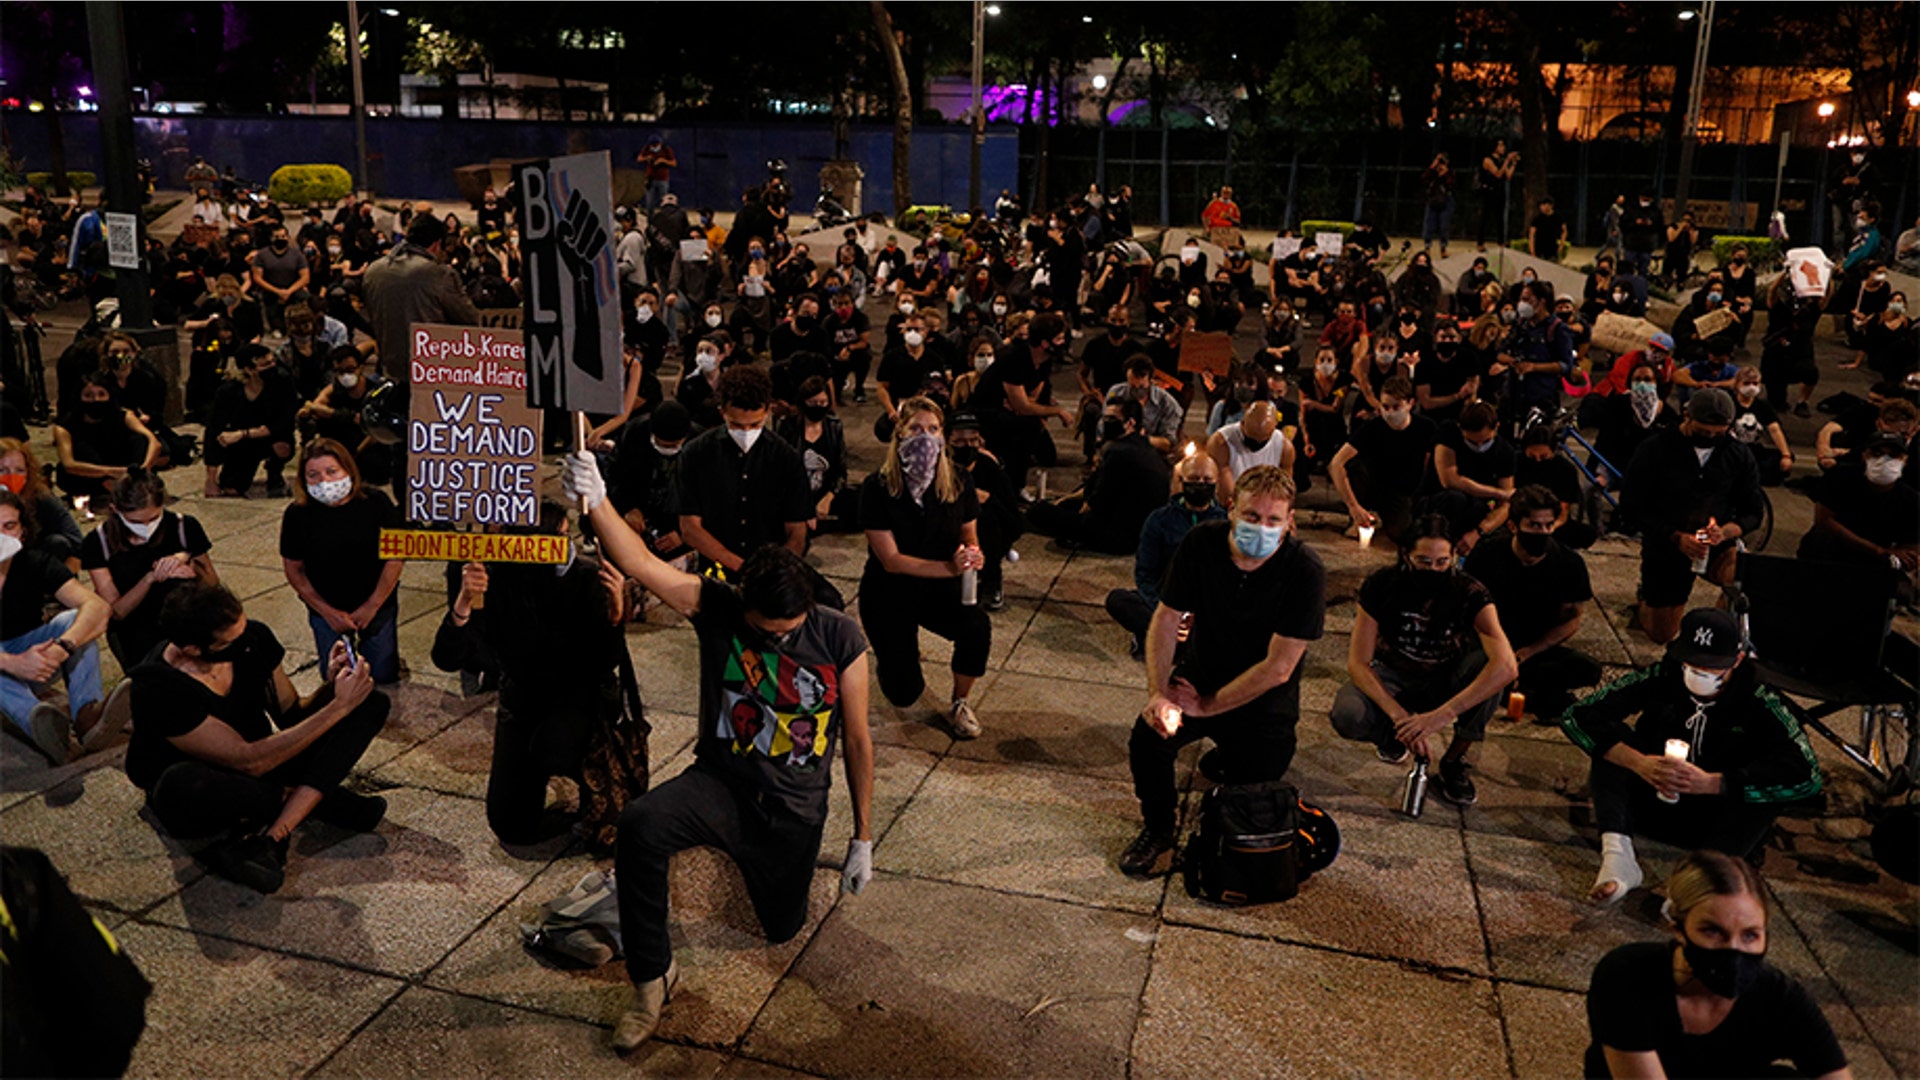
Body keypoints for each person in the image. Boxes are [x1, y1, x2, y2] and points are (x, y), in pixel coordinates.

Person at [559, 453, 873, 1055]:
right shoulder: (720, 606)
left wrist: (862, 836)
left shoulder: (839, 635)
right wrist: (596, 498)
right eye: (765, 630)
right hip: (722, 781)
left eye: (788, 630)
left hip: (795, 806)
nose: (777, 638)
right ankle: (651, 981)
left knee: (781, 928)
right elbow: (641, 564)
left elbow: (857, 739)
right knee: (641, 825)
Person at [1121, 465, 1326, 876]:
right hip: (1200, 675)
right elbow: (1166, 618)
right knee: (1149, 740)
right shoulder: (1201, 543)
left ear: (1289, 524)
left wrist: (1206, 707)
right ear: (1230, 509)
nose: (1261, 527)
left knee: (1254, 792)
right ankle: (1159, 829)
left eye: (1273, 520)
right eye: (1252, 516)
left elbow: (1278, 668)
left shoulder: (1305, 570)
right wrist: (1159, 694)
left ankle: (1228, 758)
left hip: (1264, 702)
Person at [125, 582, 388, 894]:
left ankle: (273, 836)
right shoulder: (157, 687)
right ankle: (319, 799)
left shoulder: (254, 640)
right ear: (193, 649)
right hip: (208, 783)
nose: (243, 641)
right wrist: (337, 709)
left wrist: (333, 688)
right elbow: (249, 761)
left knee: (370, 703)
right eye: (229, 642)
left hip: (267, 763)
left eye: (243, 627)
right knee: (183, 782)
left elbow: (291, 714)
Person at [1562, 608, 1823, 902]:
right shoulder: (1665, 675)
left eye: (1710, 669)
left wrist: (1715, 783)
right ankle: (1618, 859)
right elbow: (1578, 715)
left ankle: (1696, 880)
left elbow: (1808, 776)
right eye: (1691, 664)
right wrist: (1640, 763)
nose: (1697, 673)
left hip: (1712, 818)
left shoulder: (1760, 699)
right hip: (1649, 803)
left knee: (1763, 792)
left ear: (1736, 661)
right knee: (1611, 747)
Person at [432, 504, 633, 844]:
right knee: (511, 826)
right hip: (522, 701)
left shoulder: (586, 578)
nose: (567, 543)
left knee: (552, 747)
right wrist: (464, 603)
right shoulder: (494, 582)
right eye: (559, 536)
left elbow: (603, 662)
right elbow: (447, 658)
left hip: (580, 698)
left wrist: (615, 614)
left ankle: (593, 775)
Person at [1583, 851, 1852, 1079]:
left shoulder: (1780, 997)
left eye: (1750, 935)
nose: (1734, 951)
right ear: (1678, 928)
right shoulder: (1629, 974)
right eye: (1713, 932)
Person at [1330, 515, 1519, 806]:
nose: (1433, 570)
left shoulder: (1471, 593)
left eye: (1442, 562)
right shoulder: (1381, 585)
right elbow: (1358, 663)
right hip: (1393, 673)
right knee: (1348, 713)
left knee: (1489, 672)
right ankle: (1393, 738)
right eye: (1424, 561)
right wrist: (1399, 718)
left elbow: (1506, 666)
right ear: (1406, 555)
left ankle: (1454, 761)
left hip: (1446, 676)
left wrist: (1442, 715)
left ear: (1454, 556)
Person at [857, 398, 991, 738]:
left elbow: (969, 535)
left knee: (976, 626)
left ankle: (960, 702)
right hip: (889, 592)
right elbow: (892, 559)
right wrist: (950, 568)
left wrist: (973, 555)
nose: (925, 438)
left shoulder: (958, 479)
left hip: (938, 592)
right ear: (900, 434)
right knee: (904, 692)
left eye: (933, 430)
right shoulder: (878, 486)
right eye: (916, 429)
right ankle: (899, 654)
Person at [1621, 389, 1765, 644]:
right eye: (1703, 431)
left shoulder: (1738, 455)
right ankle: (1646, 600)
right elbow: (1631, 508)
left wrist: (1727, 531)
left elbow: (1752, 511)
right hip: (1667, 541)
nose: (1710, 437)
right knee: (1661, 634)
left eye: (1717, 433)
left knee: (1740, 576)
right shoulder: (1654, 449)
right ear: (1687, 416)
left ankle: (1715, 631)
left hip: (1715, 541)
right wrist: (1675, 537)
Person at [1462, 485, 1600, 722]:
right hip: (1489, 642)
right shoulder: (1488, 554)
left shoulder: (1569, 564)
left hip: (1533, 649)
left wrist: (1527, 652)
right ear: (1513, 526)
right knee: (1470, 665)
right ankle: (1524, 691)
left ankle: (1510, 687)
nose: (1543, 532)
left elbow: (1571, 619)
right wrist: (1500, 650)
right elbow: (1466, 608)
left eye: (1548, 525)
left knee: (1588, 669)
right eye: (1534, 525)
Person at [0, 489, 112, 765]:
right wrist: (12, 664)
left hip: (33, 658)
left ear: (22, 532)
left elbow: (97, 607)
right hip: (7, 669)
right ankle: (44, 728)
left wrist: (63, 647)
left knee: (75, 619)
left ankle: (88, 716)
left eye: (9, 526)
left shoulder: (34, 562)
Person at [279, 439, 404, 684]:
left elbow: (395, 557)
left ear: (348, 470)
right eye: (313, 475)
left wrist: (372, 605)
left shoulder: (377, 503)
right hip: (326, 609)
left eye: (331, 471)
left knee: (382, 674)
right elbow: (294, 570)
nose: (324, 481)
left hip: (377, 604)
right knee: (336, 676)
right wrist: (328, 613)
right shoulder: (297, 514)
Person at [82, 468, 216, 672]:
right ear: (116, 510)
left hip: (185, 619)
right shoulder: (98, 542)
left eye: (154, 518)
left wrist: (188, 564)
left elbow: (213, 585)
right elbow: (117, 611)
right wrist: (151, 578)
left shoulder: (183, 527)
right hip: (135, 627)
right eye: (136, 521)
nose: (146, 526)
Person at [1106, 451, 1225, 658]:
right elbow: (1145, 573)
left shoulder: (1225, 523)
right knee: (1118, 600)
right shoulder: (1159, 520)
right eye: (1194, 479)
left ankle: (1160, 640)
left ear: (1217, 482)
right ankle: (1180, 643)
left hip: (1205, 607)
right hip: (1164, 601)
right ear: (1181, 481)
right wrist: (1166, 612)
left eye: (1207, 480)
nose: (1200, 484)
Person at [1027, 395, 1171, 554]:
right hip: (1138, 529)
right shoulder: (1143, 446)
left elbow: (1096, 501)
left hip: (1118, 536)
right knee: (1065, 506)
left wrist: (1074, 514)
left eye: (1112, 419)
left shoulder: (1119, 453)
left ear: (1130, 423)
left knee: (1039, 512)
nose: (1106, 423)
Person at [363, 215, 481, 377]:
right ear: (437, 244)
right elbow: (469, 319)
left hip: (389, 368)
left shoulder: (374, 270)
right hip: (431, 373)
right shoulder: (439, 274)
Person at [1331, 376, 1436, 547]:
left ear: (1410, 403)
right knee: (1353, 467)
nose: (1390, 412)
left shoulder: (1426, 428)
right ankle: (1359, 518)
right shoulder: (1372, 428)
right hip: (1373, 486)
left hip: (1403, 492)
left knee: (1399, 532)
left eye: (1396, 407)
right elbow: (1336, 464)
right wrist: (1354, 507)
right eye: (1385, 407)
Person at [1799, 432, 1919, 573]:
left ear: (1904, 460)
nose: (1884, 460)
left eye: (1893, 455)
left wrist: (1903, 557)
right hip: (1828, 554)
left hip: (1874, 565)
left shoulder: (1911, 499)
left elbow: (1912, 546)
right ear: (1864, 456)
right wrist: (1878, 550)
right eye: (1877, 453)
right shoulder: (1841, 476)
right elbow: (1823, 521)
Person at [203, 344, 296, 497]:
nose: (272, 367)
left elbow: (283, 423)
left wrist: (243, 433)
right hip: (242, 445)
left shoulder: (282, 382)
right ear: (249, 369)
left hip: (269, 436)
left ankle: (274, 473)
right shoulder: (228, 392)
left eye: (273, 362)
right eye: (265, 364)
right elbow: (213, 430)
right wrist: (211, 479)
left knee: (282, 446)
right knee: (231, 488)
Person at [53, 372, 162, 504]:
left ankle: (134, 484)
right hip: (92, 472)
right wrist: (110, 472)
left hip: (122, 462)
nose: (96, 400)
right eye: (88, 396)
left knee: (139, 440)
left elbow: (153, 442)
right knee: (81, 449)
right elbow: (69, 464)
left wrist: (144, 469)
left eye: (101, 394)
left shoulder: (124, 415)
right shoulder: (65, 426)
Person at [0, 438, 83, 562]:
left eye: (20, 471)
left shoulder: (41, 497)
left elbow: (76, 540)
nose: (12, 476)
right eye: (2, 471)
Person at [1206, 399, 1292, 506]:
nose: (1257, 443)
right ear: (1242, 424)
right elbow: (1226, 494)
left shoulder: (1284, 447)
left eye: (1263, 440)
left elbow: (1285, 488)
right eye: (1252, 438)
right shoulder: (1221, 443)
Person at [1728, 366, 1793, 487]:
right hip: (1732, 449)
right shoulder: (1729, 403)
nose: (1751, 387)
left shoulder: (1763, 405)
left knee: (1778, 458)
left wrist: (1786, 455)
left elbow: (1775, 429)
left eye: (1755, 383)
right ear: (1737, 384)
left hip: (1753, 449)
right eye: (1746, 383)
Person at [249, 223, 310, 331]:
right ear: (271, 238)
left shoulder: (297, 254)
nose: (280, 239)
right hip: (271, 290)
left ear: (288, 237)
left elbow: (305, 277)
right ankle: (276, 326)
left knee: (305, 298)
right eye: (276, 237)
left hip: (293, 288)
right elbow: (257, 278)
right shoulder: (262, 255)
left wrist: (288, 291)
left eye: (283, 236)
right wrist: (277, 291)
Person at [1476, 140, 1519, 250]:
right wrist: (1507, 160)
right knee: (1485, 216)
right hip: (1489, 191)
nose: (1503, 148)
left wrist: (1513, 164)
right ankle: (1480, 242)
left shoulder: (1501, 160)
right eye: (1500, 145)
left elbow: (1507, 175)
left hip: (1500, 191)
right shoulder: (1488, 160)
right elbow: (1498, 174)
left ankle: (1501, 241)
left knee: (1500, 217)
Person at [1621, 191, 1664, 280]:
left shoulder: (1655, 211)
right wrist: (1634, 223)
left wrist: (1651, 224)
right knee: (1628, 268)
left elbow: (1660, 226)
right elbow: (1623, 224)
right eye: (1644, 198)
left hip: (1646, 245)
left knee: (1643, 270)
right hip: (1632, 244)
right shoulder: (1631, 209)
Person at [1421, 154, 1457, 256]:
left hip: (1446, 199)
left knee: (1444, 224)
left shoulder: (1450, 173)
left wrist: (1444, 174)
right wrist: (1433, 167)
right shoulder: (1432, 173)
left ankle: (1443, 246)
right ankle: (1427, 245)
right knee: (1429, 223)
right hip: (1433, 199)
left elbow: (1451, 184)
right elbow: (1424, 179)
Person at [1528, 196, 1564, 261]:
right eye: (1541, 205)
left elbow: (1564, 231)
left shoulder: (1557, 218)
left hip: (1552, 249)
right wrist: (1532, 249)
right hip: (1539, 249)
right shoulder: (1537, 219)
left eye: (1544, 205)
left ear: (1550, 205)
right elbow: (1532, 234)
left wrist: (1561, 244)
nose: (1542, 207)